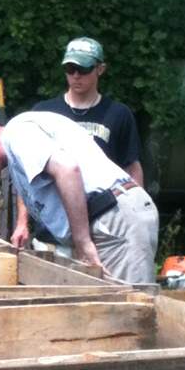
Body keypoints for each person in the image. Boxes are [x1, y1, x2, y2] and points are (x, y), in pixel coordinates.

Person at [0, 113, 158, 284]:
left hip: (113, 218)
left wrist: (82, 240)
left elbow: (67, 169)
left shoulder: (17, 132)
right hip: (107, 220)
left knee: (126, 317)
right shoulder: (16, 156)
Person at [16, 36, 144, 250]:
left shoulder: (119, 114)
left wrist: (137, 217)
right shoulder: (42, 112)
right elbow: (27, 173)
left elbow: (131, 167)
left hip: (103, 229)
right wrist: (22, 222)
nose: (76, 75)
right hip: (51, 234)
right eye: (70, 68)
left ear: (100, 69)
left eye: (83, 69)